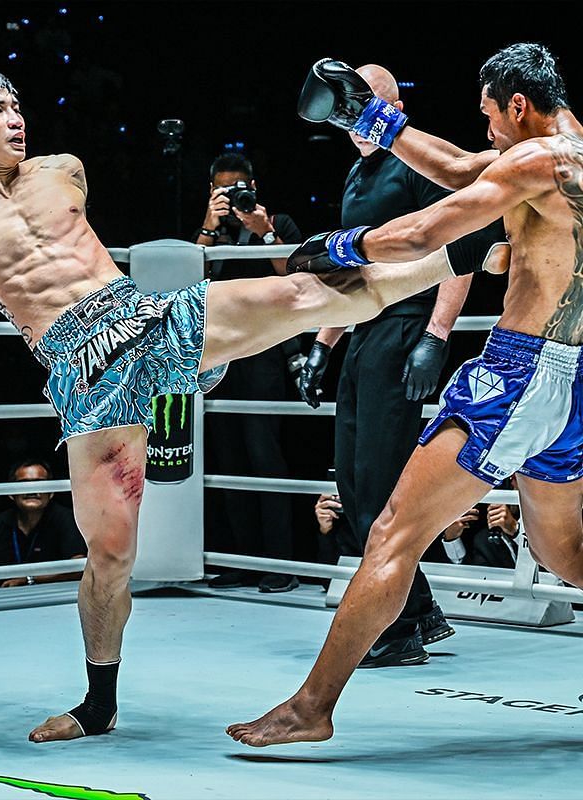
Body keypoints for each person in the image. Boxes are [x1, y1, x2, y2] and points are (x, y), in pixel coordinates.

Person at [0, 68, 479, 744]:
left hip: (144, 318)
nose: (15, 117)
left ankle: (476, 247)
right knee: (112, 556)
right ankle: (98, 705)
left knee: (305, 295)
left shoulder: (62, 169)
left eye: (16, 105)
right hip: (85, 373)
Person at [228, 43, 583, 747]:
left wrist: (340, 247)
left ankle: (311, 707)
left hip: (521, 371)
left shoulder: (535, 158)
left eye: (489, 116)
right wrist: (374, 120)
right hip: (574, 376)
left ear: (518, 105)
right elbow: (459, 169)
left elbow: (427, 228)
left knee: (393, 533)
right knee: (567, 554)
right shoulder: (565, 153)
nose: (486, 131)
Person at [297, 64, 473, 664]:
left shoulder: (418, 161)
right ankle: (417, 612)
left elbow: (462, 249)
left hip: (405, 327)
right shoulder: (357, 172)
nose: (350, 117)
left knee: (376, 484)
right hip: (366, 332)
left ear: (392, 103)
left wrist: (436, 335)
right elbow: (351, 269)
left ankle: (401, 625)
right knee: (351, 481)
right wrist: (323, 345)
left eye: (362, 102)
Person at [196, 153, 303, 593]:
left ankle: (281, 563)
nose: (232, 195)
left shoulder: (280, 223)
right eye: (222, 189)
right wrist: (207, 224)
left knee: (264, 456)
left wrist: (265, 233)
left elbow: (297, 276)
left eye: (238, 187)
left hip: (265, 353)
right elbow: (187, 281)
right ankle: (242, 559)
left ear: (254, 187)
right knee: (228, 456)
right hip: (221, 356)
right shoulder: (212, 231)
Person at [0, 459, 87, 587]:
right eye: (24, 484)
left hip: (56, 597)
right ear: (11, 492)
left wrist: (30, 579)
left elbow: (79, 567)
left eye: (39, 484)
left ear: (51, 492)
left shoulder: (66, 519)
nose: (32, 491)